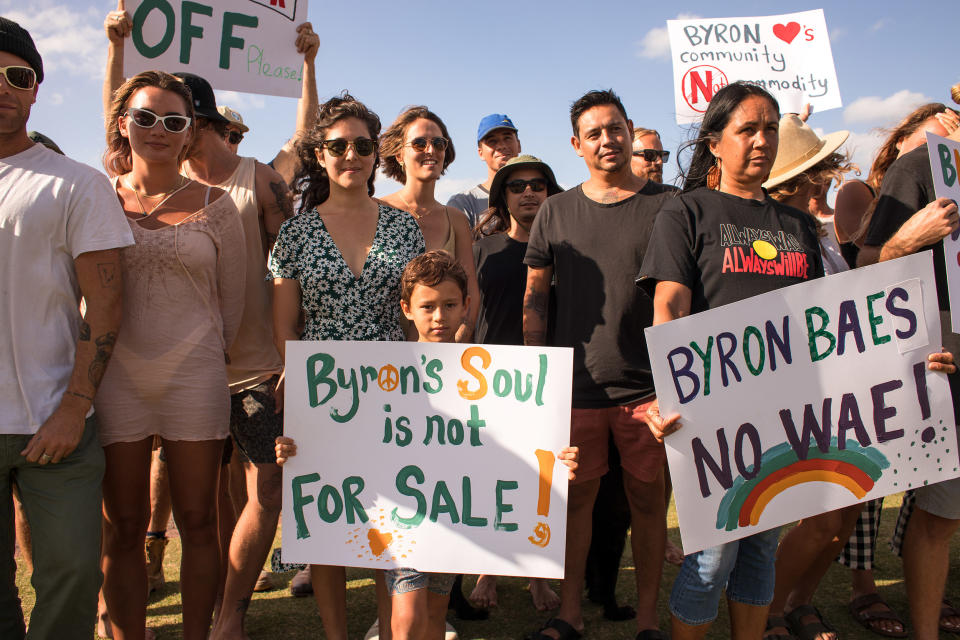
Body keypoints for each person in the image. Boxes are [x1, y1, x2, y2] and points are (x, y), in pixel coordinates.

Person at [275, 250, 580, 640]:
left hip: (455, 522)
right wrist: (297, 448)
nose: (439, 316)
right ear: (406, 308)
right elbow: (341, 434)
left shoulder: (494, 377)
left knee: (436, 614)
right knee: (406, 615)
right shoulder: (381, 374)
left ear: (466, 306)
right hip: (402, 520)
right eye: (428, 306)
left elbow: (516, 442)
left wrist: (557, 457)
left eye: (450, 305)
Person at [638, 81, 825, 640]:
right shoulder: (685, 211)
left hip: (786, 409)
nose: (763, 141)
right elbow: (669, 305)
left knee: (763, 543)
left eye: (771, 129)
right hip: (712, 410)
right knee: (714, 552)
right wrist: (668, 396)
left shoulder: (798, 227)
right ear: (714, 142)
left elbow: (825, 321)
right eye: (748, 129)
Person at [268, 92, 425, 640]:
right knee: (329, 530)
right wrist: (304, 393)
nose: (351, 155)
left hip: (392, 394)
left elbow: (412, 318)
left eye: (362, 145)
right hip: (323, 398)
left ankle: (387, 629)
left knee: (389, 525)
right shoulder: (295, 235)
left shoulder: (404, 228)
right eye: (338, 146)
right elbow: (285, 326)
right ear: (320, 153)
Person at [95, 69, 245, 640]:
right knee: (124, 526)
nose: (159, 129)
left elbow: (232, 305)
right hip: (116, 378)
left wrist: (204, 360)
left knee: (201, 521)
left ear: (191, 134)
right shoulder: (95, 197)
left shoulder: (219, 206)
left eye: (175, 120)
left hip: (196, 376)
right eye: (145, 116)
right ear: (122, 123)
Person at [523, 89, 675, 640]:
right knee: (576, 503)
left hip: (651, 391)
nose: (607, 140)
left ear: (630, 131)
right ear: (576, 145)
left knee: (649, 505)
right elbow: (535, 300)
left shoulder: (670, 205)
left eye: (615, 129)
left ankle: (650, 619)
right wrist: (540, 382)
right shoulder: (556, 210)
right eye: (594, 133)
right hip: (575, 388)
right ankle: (568, 614)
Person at [0, 18, 132, 638]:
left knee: (75, 574)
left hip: (54, 421)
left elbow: (106, 307)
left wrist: (73, 406)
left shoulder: (77, 183)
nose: (3, 87)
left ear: (35, 89)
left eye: (16, 75)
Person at [856, 83, 960, 640]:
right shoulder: (926, 167)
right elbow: (867, 267)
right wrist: (908, 240)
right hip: (944, 358)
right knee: (940, 515)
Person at [469, 155, 564, 612]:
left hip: (547, 378)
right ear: (502, 197)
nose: (528, 192)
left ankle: (538, 577)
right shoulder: (483, 249)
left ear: (550, 192)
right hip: (489, 378)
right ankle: (488, 570)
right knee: (491, 479)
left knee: (541, 480)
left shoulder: (567, 247)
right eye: (516, 185)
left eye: (538, 184)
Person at [379, 106, 480, 341]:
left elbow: (470, 292)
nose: (430, 150)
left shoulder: (455, 219)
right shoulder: (377, 211)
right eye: (419, 143)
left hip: (440, 357)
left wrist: (457, 341)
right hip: (383, 358)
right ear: (399, 155)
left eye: (438, 143)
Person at [835, 103, 959, 268]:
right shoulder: (858, 190)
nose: (932, 156)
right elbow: (869, 258)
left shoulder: (943, 190)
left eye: (943, 148)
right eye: (926, 145)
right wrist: (911, 238)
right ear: (901, 140)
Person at [448, 114, 521, 227]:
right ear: (480, 153)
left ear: (519, 145)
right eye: (492, 141)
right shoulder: (464, 203)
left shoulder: (538, 194)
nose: (501, 146)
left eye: (507, 138)